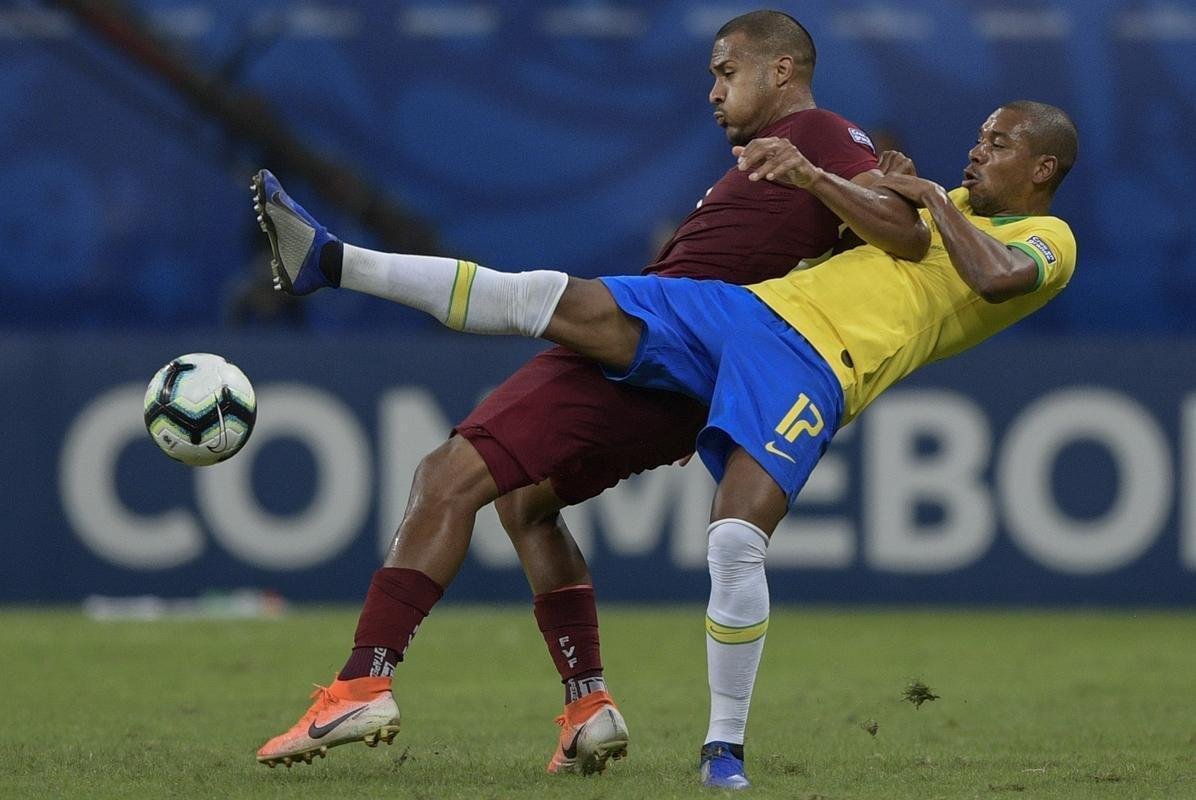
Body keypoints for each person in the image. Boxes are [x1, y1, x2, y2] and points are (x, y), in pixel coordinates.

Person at [253, 99, 1078, 787]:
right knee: (554, 296)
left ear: (1041, 169)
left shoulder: (1049, 240)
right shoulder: (944, 202)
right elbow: (882, 234)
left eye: (998, 144)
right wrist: (891, 195)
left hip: (824, 368)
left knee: (733, 540)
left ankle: (723, 750)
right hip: (751, 312)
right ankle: (337, 261)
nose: (977, 153)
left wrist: (927, 197)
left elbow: (995, 277)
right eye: (977, 139)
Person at [252, 10, 895, 778]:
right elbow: (864, 235)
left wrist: (856, 181)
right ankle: (589, 706)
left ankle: (363, 682)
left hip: (662, 344)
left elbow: (901, 229)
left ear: (781, 71)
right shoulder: (789, 160)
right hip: (681, 374)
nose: (714, 94)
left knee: (446, 476)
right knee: (527, 503)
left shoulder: (822, 137)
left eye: (727, 74)